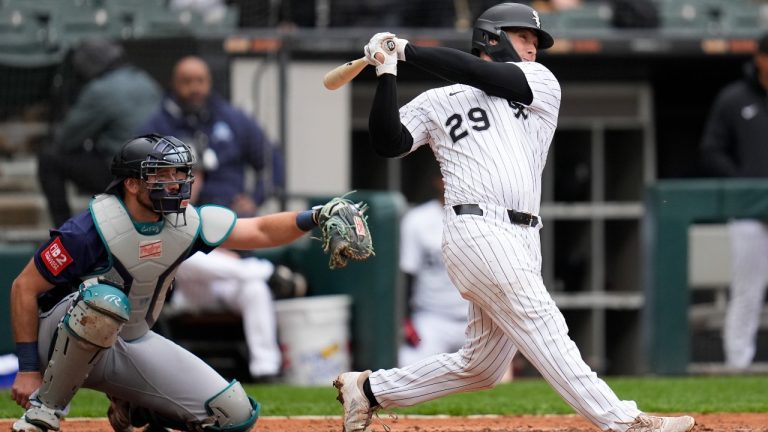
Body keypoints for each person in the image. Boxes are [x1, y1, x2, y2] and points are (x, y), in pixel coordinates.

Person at [332, 3, 695, 432]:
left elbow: (485, 76)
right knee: (543, 322)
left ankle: (370, 390)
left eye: (535, 42)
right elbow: (388, 142)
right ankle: (623, 421)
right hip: (476, 228)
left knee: (482, 367)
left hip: (523, 234)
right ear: (492, 37)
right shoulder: (436, 101)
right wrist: (387, 71)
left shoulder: (539, 81)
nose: (532, 48)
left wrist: (407, 50)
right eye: (524, 38)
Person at [9, 134, 341, 432]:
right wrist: (26, 370)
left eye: (179, 173)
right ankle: (45, 411)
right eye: (161, 174)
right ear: (132, 184)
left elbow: (261, 231)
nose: (175, 182)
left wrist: (315, 215)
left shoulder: (187, 222)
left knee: (232, 413)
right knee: (105, 300)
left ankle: (134, 406)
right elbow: (23, 287)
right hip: (58, 343)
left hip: (131, 340)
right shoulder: (89, 228)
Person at [38, 37, 162, 228]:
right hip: (159, 171)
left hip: (125, 177)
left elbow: (66, 140)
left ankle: (62, 231)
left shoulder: (99, 90)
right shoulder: (144, 79)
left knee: (49, 159)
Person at [699, 31, 768, 371]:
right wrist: (745, 185)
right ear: (760, 59)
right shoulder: (735, 98)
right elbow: (711, 150)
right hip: (749, 212)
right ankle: (738, 365)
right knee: (748, 293)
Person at [140, 55, 283, 218]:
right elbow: (138, 173)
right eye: (187, 81)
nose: (195, 88)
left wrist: (254, 199)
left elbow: (272, 162)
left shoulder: (234, 119)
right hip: (178, 217)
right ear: (173, 84)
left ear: (209, 82)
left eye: (201, 81)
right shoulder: (158, 124)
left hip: (230, 215)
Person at [397, 169, 469, 367]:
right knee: (407, 369)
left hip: (477, 319)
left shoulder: (483, 218)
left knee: (498, 380)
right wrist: (404, 320)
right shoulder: (418, 219)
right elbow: (405, 275)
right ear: (438, 180)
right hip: (432, 319)